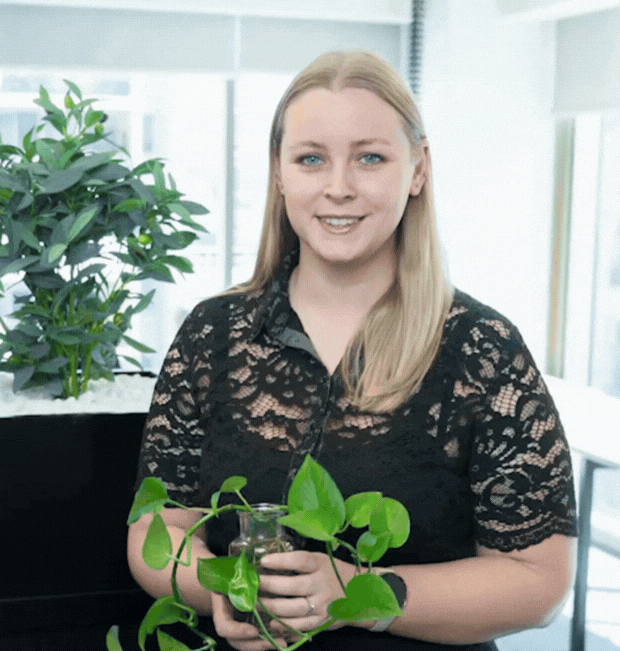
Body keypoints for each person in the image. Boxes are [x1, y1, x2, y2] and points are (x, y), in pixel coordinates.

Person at [128, 50, 577, 651]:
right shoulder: (212, 333)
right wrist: (215, 591)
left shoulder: (482, 349)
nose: (338, 188)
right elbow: (157, 532)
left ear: (417, 170)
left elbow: (539, 583)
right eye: (311, 159)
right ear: (280, 173)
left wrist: (359, 595)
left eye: (370, 158)